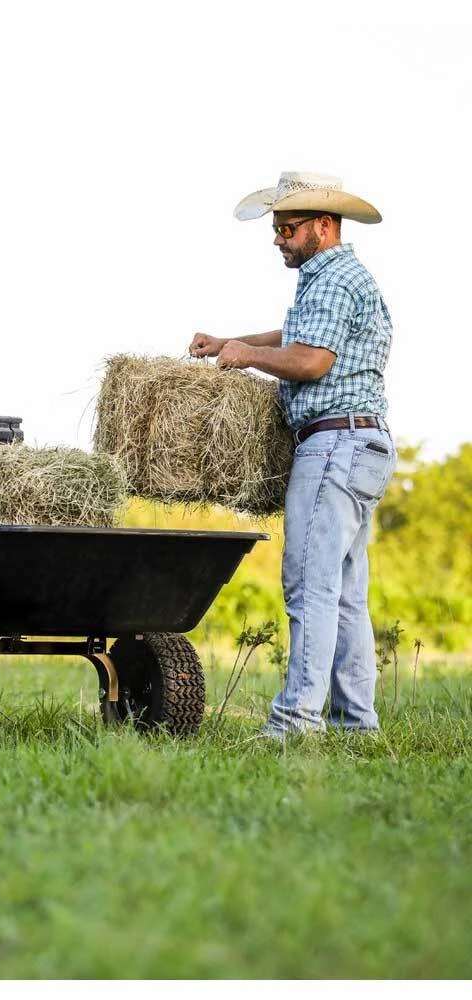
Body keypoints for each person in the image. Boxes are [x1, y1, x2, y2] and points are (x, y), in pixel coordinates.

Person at [189, 171, 396, 737]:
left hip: (334, 446)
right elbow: (295, 335)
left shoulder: (329, 280)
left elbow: (310, 361)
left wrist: (243, 357)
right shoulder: (339, 277)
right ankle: (357, 725)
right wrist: (232, 341)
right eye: (277, 227)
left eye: (288, 227)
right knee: (345, 593)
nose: (277, 237)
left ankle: (296, 722)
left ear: (323, 227)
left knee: (309, 584)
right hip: (364, 444)